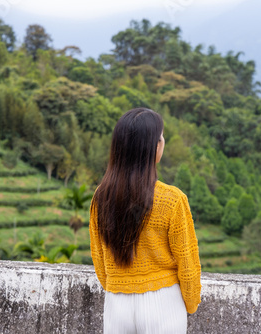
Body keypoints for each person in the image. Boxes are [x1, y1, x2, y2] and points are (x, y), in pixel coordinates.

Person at [89, 107, 202, 334]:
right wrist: (190, 304)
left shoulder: (101, 197)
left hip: (116, 305)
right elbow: (187, 264)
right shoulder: (172, 199)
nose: (163, 141)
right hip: (163, 303)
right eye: (161, 137)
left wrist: (121, 284)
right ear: (154, 147)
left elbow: (100, 262)